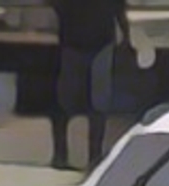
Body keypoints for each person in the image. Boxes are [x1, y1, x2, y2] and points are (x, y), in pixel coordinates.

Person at [48, 0, 130, 172]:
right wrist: (125, 34)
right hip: (91, 39)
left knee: (77, 101)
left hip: (81, 38)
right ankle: (87, 156)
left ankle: (68, 155)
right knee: (88, 101)